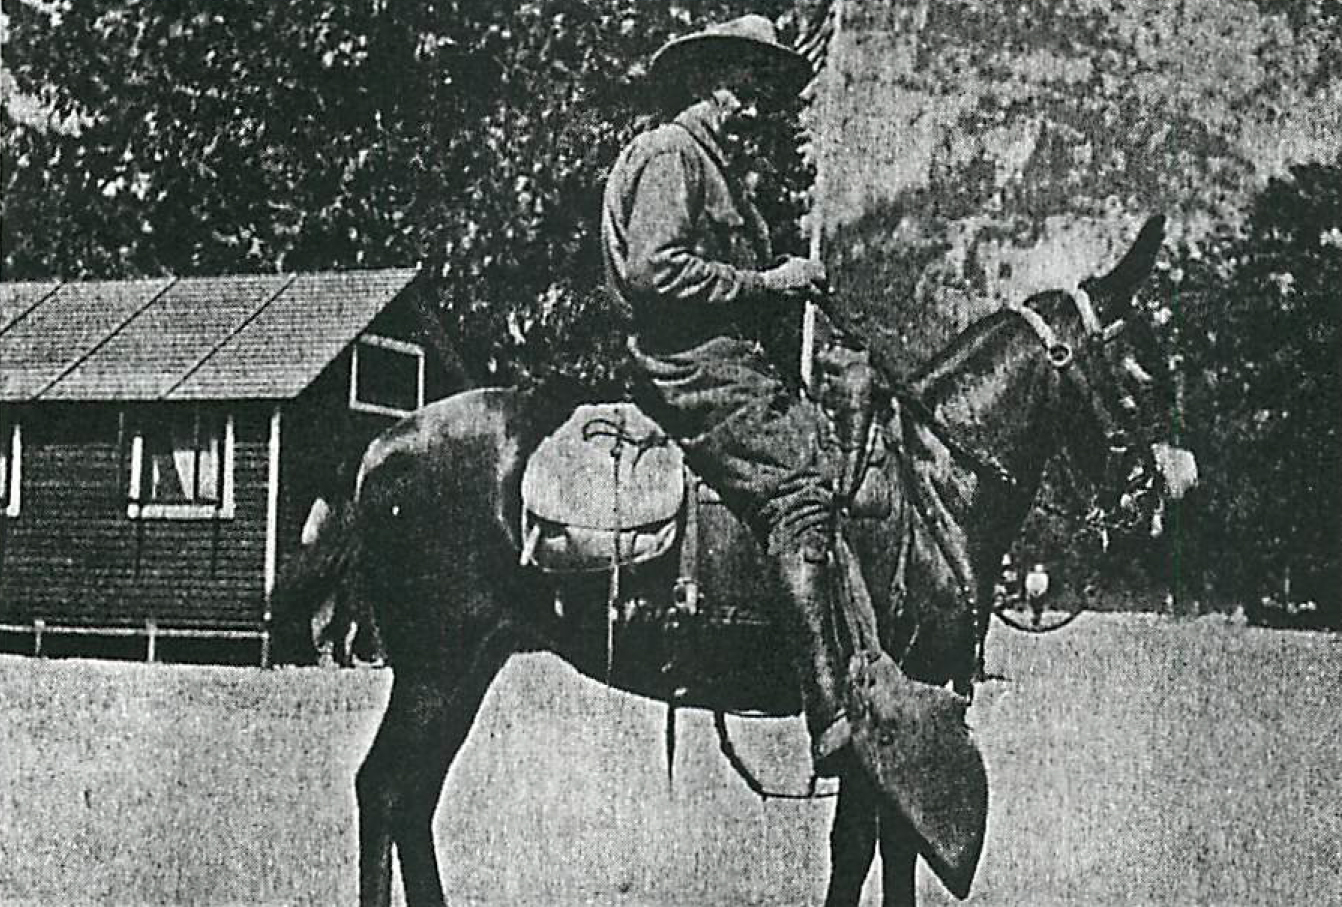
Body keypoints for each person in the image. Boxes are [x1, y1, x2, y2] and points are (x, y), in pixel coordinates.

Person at [602, 14, 902, 777]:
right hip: (687, 361)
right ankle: (829, 707)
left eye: (759, 87)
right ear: (706, 84)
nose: (753, 103)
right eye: (743, 85)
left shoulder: (712, 166)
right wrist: (766, 282)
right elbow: (654, 269)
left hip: (719, 355)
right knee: (803, 485)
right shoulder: (674, 155)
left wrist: (785, 279)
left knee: (830, 449)